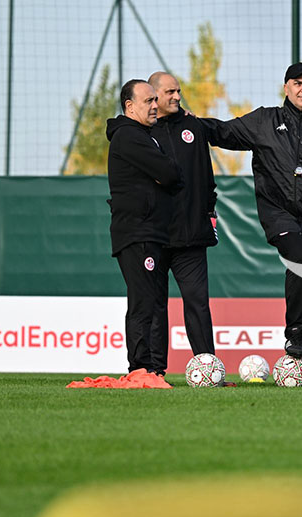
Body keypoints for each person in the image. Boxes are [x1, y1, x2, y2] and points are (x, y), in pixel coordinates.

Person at [200, 62, 302, 375]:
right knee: (298, 258)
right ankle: (295, 335)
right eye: (297, 83)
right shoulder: (265, 121)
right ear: (286, 87)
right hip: (280, 215)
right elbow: (222, 132)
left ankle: (299, 364)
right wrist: (188, 123)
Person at [106, 79, 182, 373]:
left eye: (155, 100)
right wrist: (165, 174)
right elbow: (170, 172)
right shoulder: (129, 136)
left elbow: (172, 175)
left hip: (150, 231)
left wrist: (167, 174)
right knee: (143, 302)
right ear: (130, 106)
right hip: (138, 232)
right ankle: (141, 368)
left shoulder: (145, 136)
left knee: (149, 300)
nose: (155, 106)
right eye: (149, 101)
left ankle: (148, 368)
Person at [147, 72, 218, 378]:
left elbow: (207, 178)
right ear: (154, 97)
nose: (177, 97)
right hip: (155, 235)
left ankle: (207, 367)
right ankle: (154, 372)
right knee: (154, 307)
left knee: (197, 303)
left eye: (178, 91)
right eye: (170, 92)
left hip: (192, 235)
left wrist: (209, 214)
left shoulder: (194, 127)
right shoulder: (140, 132)